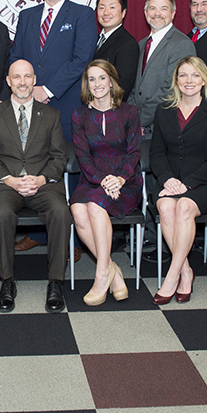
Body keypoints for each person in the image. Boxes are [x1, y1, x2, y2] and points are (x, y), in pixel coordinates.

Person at [0, 59, 72, 313]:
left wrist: (41, 179)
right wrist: (10, 180)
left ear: (34, 80)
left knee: (60, 211)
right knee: (0, 214)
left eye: (27, 77)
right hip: (6, 184)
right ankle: (7, 281)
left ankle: (55, 282)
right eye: (16, 77)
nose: (22, 82)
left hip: (42, 183)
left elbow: (59, 157)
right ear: (8, 81)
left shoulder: (51, 115)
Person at [149, 57, 207, 304]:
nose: (189, 81)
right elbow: (156, 153)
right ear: (176, 81)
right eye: (183, 75)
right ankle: (186, 271)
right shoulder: (164, 111)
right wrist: (167, 179)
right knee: (165, 206)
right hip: (169, 180)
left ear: (204, 79)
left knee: (183, 206)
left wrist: (186, 184)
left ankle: (172, 276)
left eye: (195, 75)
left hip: (206, 183)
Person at [69, 60, 142, 306]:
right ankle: (113, 269)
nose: (97, 84)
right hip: (93, 177)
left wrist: (120, 179)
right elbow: (82, 155)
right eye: (92, 79)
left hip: (126, 179)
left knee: (95, 206)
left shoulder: (129, 112)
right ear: (86, 84)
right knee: (78, 210)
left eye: (102, 78)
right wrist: (102, 180)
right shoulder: (79, 115)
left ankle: (101, 274)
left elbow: (134, 152)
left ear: (111, 81)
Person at [10, 0, 98, 140]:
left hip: (65, 107)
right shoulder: (26, 16)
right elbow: (16, 58)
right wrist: (28, 88)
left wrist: (48, 90)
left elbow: (82, 59)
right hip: (28, 104)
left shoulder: (82, 14)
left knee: (64, 163)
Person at [130, 0, 195, 137]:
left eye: (163, 9)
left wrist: (141, 120)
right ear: (145, 13)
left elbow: (171, 89)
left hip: (163, 127)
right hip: (138, 128)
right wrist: (133, 118)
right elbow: (134, 87)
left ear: (173, 13)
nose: (157, 13)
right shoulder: (141, 45)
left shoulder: (182, 44)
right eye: (152, 8)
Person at [93, 0, 139, 101]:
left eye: (112, 7)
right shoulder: (93, 39)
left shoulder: (128, 44)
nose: (106, 12)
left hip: (110, 110)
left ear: (123, 12)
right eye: (101, 8)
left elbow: (123, 87)